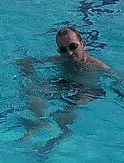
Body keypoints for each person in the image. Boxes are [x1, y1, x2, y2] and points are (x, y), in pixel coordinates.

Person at [17, 26, 117, 155]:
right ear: (59, 51)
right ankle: (36, 124)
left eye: (73, 46)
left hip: (87, 90)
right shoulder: (59, 60)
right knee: (32, 89)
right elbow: (25, 62)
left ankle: (58, 138)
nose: (69, 53)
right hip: (64, 84)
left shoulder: (97, 66)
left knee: (66, 112)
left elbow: (120, 80)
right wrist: (29, 73)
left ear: (83, 44)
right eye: (63, 50)